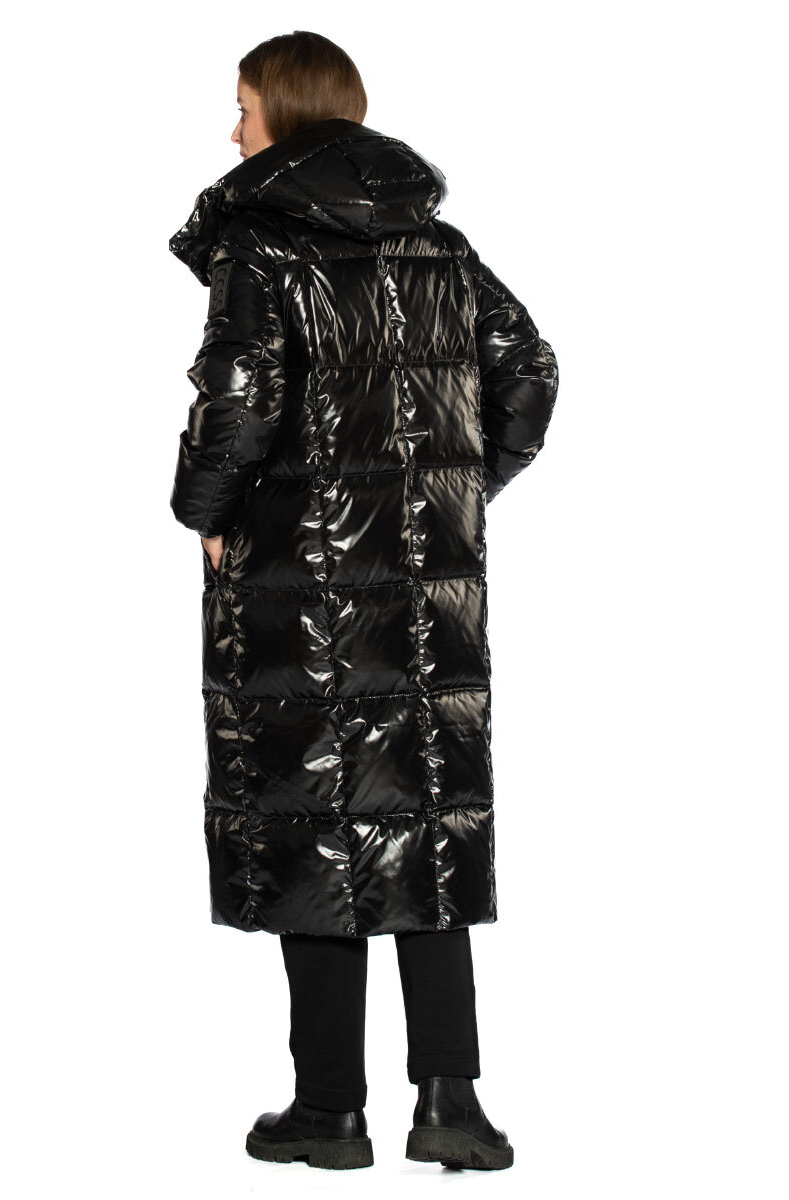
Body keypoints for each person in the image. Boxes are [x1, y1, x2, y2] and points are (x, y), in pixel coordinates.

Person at [168, 30, 558, 1173]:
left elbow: (239, 394)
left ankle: (331, 1110)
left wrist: (205, 511)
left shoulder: (262, 244)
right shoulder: (437, 242)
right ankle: (452, 1105)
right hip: (427, 592)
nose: (232, 130)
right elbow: (528, 370)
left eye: (244, 110)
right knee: (426, 823)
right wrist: (451, 495)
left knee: (314, 830)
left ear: (285, 118)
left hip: (296, 579)